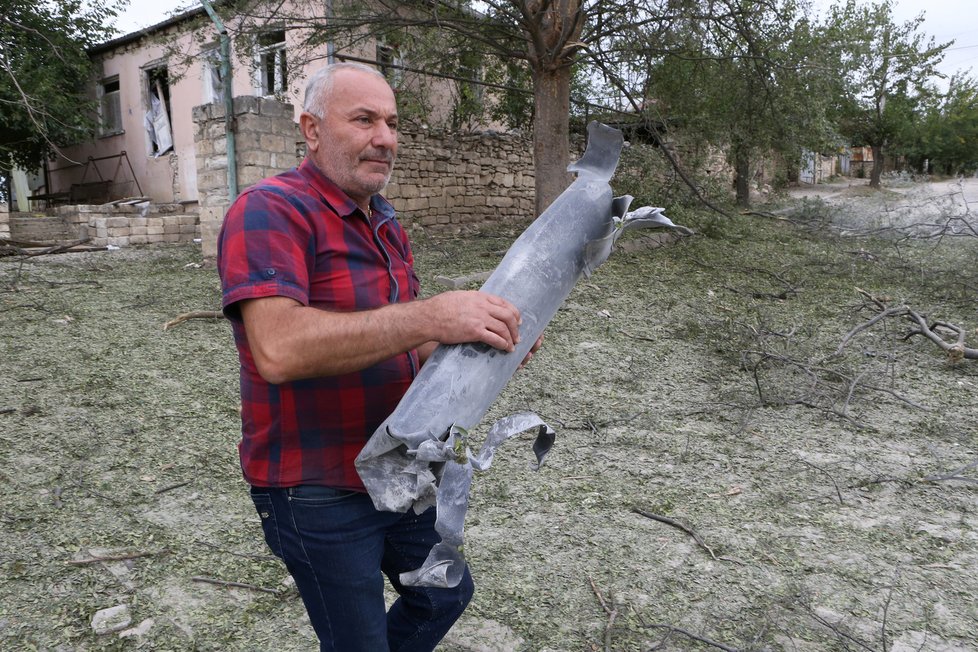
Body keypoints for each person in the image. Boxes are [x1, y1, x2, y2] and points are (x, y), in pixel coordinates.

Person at [217, 62, 537, 651]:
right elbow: (279, 349)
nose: (385, 137)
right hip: (317, 488)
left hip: (397, 465)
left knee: (445, 593)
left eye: (391, 123)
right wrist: (430, 314)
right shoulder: (268, 211)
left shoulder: (383, 221)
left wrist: (479, 340)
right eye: (363, 119)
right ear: (312, 130)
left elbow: (401, 336)